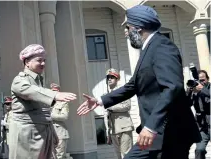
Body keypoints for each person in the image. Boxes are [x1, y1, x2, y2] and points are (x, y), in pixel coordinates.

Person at [77, 5, 201, 159]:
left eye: (127, 28)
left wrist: (151, 126)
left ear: (139, 28)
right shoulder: (148, 48)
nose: (125, 32)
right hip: (159, 134)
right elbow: (133, 85)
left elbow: (172, 87)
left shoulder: (162, 46)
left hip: (170, 132)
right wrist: (101, 101)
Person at [9, 44, 77, 159]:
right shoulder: (20, 80)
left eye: (44, 60)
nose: (43, 64)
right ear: (27, 62)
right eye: (39, 60)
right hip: (27, 137)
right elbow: (31, 91)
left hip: (42, 134)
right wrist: (55, 95)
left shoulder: (38, 81)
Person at [103, 68, 134, 159]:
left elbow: (127, 106)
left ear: (117, 79)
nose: (109, 79)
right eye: (108, 77)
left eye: (112, 77)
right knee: (118, 156)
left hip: (124, 127)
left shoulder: (122, 91)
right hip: (113, 130)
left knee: (126, 155)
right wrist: (107, 131)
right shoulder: (106, 95)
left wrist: (111, 107)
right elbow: (106, 115)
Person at [187, 70, 210, 159]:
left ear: (207, 79)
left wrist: (202, 89)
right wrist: (190, 92)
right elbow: (187, 104)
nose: (201, 83)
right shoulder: (195, 91)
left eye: (203, 80)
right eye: (199, 81)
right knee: (199, 150)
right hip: (202, 127)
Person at [50, 83, 71, 159]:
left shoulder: (63, 103)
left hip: (60, 132)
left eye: (55, 91)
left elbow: (65, 116)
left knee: (60, 156)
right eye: (52, 91)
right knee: (51, 155)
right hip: (49, 131)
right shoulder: (47, 103)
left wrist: (51, 116)